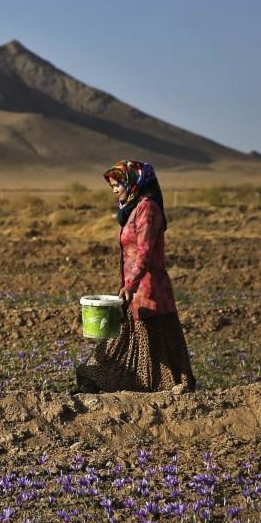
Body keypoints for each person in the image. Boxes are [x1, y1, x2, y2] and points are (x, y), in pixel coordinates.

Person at [75, 160, 196, 393]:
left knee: (145, 341)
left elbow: (145, 251)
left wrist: (132, 283)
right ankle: (107, 381)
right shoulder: (133, 208)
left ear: (133, 181)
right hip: (135, 289)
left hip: (148, 290)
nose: (114, 190)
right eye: (112, 185)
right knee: (132, 341)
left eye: (118, 184)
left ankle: (108, 381)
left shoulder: (147, 208)